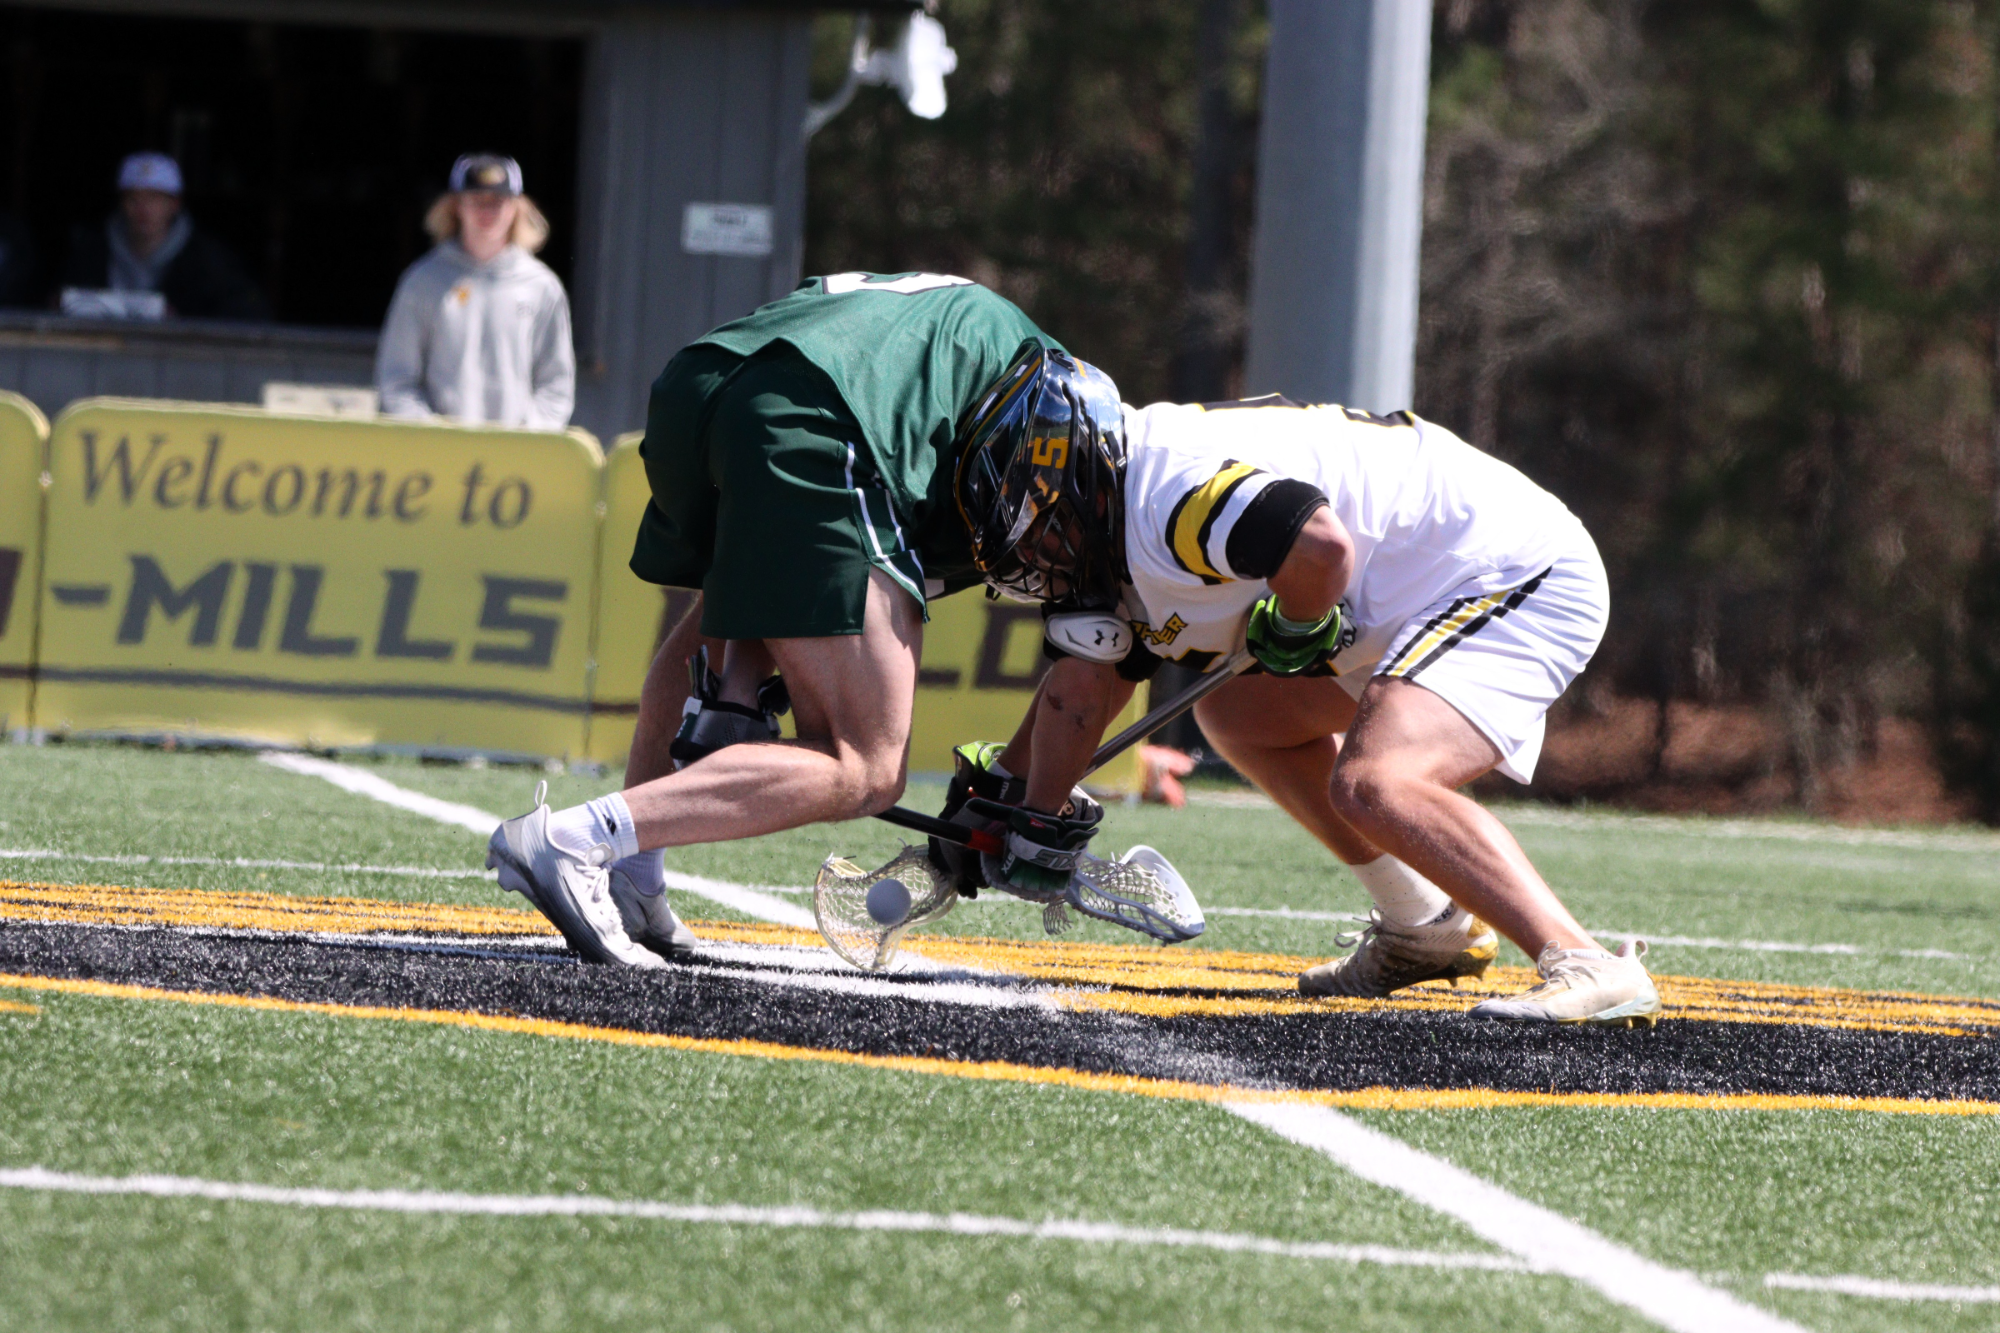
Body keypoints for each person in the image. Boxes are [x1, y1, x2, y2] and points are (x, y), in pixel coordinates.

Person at [945, 386, 1658, 1026]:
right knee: (1240, 715)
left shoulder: (1164, 495)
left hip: (1506, 567)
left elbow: (1319, 545)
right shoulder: (1110, 510)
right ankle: (1425, 924)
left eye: (1038, 515)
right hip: (1413, 590)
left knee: (1379, 783)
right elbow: (1085, 691)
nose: (1033, 544)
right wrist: (1009, 802)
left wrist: (1294, 623)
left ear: (1078, 478)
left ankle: (1586, 961)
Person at [484, 272, 1094, 969]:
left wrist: (744, 672)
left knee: (715, 652)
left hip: (705, 385)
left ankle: (633, 870)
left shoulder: (985, 336)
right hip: (819, 419)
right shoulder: (1048, 400)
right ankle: (581, 837)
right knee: (863, 762)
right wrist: (1025, 796)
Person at [376, 153, 575, 429]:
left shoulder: (542, 287)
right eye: (476, 199)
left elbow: (556, 386)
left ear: (518, 207)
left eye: (498, 201)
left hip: (515, 459)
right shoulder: (422, 281)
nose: (487, 210)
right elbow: (396, 379)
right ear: (456, 205)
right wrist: (431, 433)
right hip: (438, 457)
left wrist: (530, 436)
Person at [58, 152, 267, 320]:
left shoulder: (210, 260)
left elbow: (246, 314)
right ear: (122, 203)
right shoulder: (91, 249)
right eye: (134, 199)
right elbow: (57, 302)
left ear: (174, 204)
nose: (143, 210)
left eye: (154, 199)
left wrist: (182, 321)